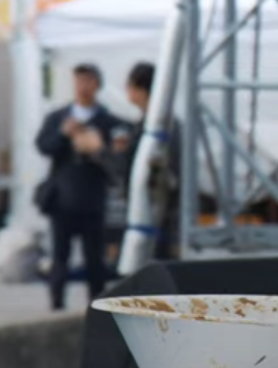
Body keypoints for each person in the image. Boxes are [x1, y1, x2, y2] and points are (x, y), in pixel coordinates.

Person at [35, 62, 125, 310]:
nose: (83, 87)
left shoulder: (107, 121)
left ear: (97, 85)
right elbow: (43, 146)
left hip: (92, 198)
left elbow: (116, 159)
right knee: (60, 255)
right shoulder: (58, 118)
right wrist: (64, 134)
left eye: (88, 82)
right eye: (79, 81)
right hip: (62, 199)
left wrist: (97, 149)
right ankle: (56, 303)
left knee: (94, 258)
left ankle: (97, 306)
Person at [109, 61, 182, 260]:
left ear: (140, 90)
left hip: (156, 216)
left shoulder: (160, 128)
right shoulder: (151, 125)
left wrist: (106, 152)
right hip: (152, 214)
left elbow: (146, 172)